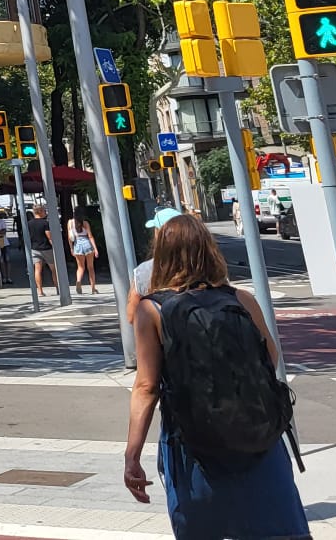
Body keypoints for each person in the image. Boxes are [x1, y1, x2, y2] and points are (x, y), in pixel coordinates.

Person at [124, 214, 308, 539]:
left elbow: (146, 386)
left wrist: (132, 454)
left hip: (191, 442)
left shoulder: (151, 310)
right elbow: (271, 358)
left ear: (162, 254)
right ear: (210, 250)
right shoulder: (241, 299)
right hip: (257, 435)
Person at [27, 204, 59, 293]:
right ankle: (57, 289)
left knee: (37, 269)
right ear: (40, 212)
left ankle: (40, 291)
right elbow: (49, 237)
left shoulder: (29, 224)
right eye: (44, 210)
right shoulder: (45, 223)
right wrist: (55, 247)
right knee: (53, 269)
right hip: (46, 248)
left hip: (34, 249)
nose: (46, 212)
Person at [69, 212, 101, 294]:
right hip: (87, 243)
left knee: (80, 267)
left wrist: (71, 248)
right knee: (90, 267)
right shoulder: (85, 223)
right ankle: (93, 288)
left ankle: (78, 281)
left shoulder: (70, 222)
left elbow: (70, 237)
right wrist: (95, 249)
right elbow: (90, 236)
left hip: (77, 244)